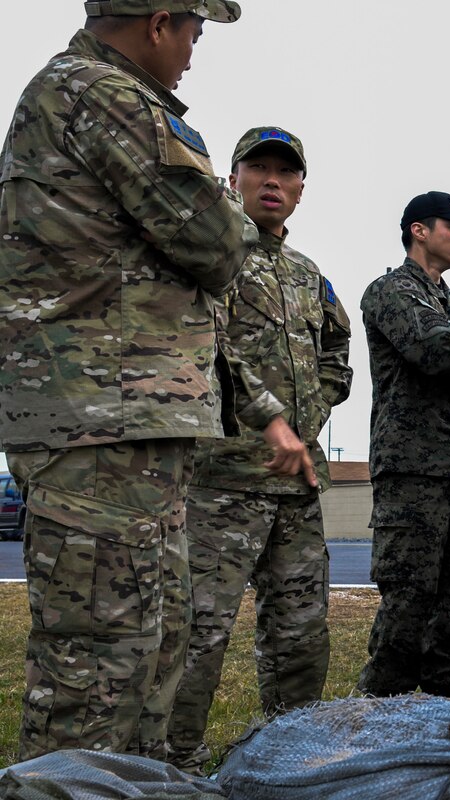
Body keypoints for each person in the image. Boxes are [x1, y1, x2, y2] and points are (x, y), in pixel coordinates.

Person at [0, 0, 284, 761]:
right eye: (194, 31)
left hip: (123, 420)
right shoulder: (104, 94)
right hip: (99, 421)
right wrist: (223, 207)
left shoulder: (83, 93)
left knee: (150, 651)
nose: (194, 51)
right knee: (99, 671)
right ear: (160, 23)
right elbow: (219, 242)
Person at [166, 127, 353, 771]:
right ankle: (177, 764)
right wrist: (265, 423)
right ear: (234, 178)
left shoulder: (309, 277)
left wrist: (315, 415)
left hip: (297, 490)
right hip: (225, 482)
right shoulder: (213, 261)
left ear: (301, 189)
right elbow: (205, 350)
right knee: (199, 634)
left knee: (301, 636)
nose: (272, 181)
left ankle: (287, 760)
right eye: (259, 168)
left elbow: (337, 356)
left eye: (285, 172)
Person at [358, 191, 450, 697]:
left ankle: (440, 717)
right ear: (419, 230)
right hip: (409, 471)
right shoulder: (389, 292)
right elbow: (438, 351)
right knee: (408, 604)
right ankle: (382, 718)